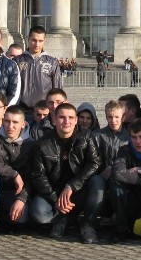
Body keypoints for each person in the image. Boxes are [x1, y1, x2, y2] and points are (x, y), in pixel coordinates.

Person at [30, 103, 103, 244]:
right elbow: (38, 175)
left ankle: (88, 224)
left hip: (80, 189)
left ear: (76, 120)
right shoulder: (43, 143)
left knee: (98, 181)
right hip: (54, 191)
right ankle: (62, 218)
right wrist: (56, 200)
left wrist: (72, 186)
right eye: (62, 117)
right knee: (39, 213)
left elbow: (95, 163)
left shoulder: (87, 137)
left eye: (70, 117)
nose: (66, 121)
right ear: (54, 120)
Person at [0, 98, 35, 241]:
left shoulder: (31, 144)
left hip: (15, 193)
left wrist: (22, 199)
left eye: (15, 122)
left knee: (22, 218)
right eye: (7, 121)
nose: (10, 126)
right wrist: (13, 173)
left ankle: (4, 218)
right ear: (3, 120)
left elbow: (31, 175)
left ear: (23, 124)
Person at [14, 25, 62, 119]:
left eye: (40, 41)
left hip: (44, 112)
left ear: (44, 41)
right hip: (22, 110)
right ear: (28, 39)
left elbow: (57, 88)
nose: (37, 44)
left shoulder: (52, 62)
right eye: (34, 40)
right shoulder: (18, 60)